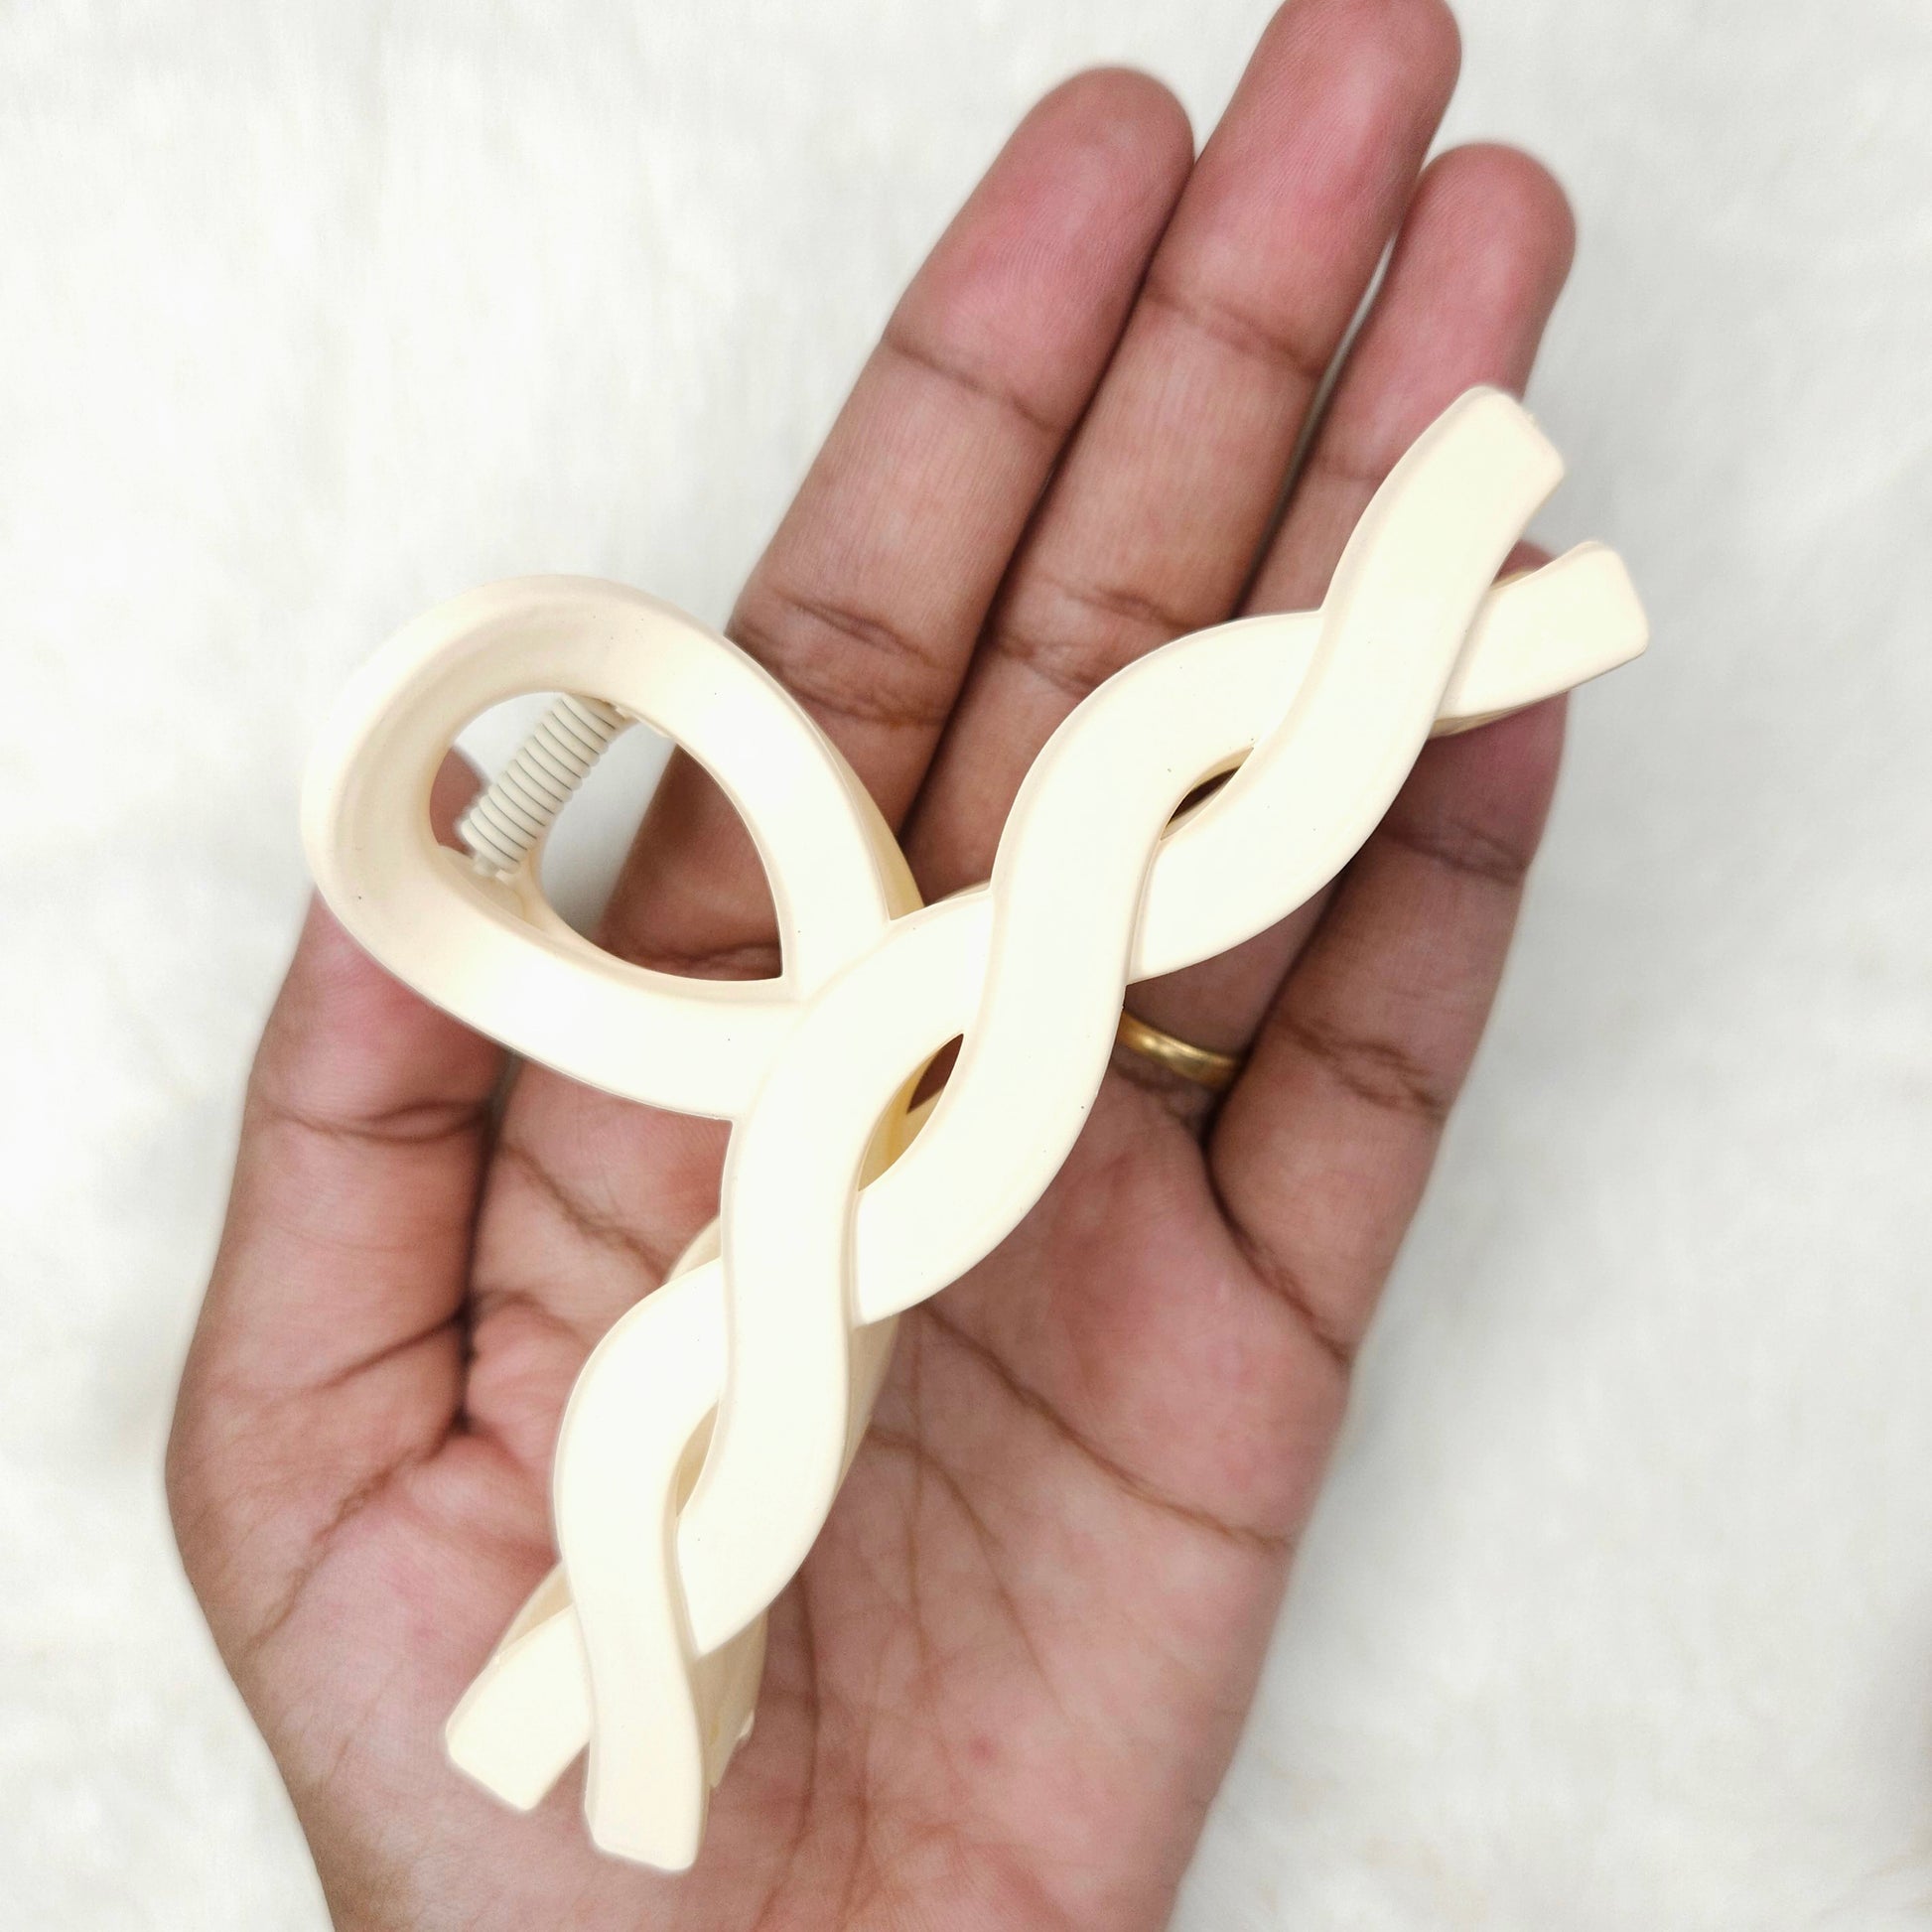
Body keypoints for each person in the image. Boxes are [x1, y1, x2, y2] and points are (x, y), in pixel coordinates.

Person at [167, 0, 1582, 1922]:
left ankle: (1461, 605)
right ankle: (1456, 606)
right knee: (1073, 892)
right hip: (834, 1135)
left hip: (880, 1063)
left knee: (1102, 862)